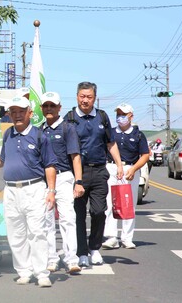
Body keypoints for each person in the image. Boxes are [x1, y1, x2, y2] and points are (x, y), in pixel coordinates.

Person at [0, 96, 57, 288]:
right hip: (11, 190)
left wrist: (51, 191)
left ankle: (41, 273)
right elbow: (3, 158)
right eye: (13, 111)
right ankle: (24, 271)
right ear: (9, 114)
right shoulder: (8, 134)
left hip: (34, 188)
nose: (17, 115)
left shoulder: (40, 136)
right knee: (15, 233)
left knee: (37, 232)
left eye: (21, 111)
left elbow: (50, 165)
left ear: (30, 112)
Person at [63, 81, 123, 268]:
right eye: (82, 96)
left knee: (99, 211)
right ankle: (81, 252)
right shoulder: (70, 118)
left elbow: (110, 143)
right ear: (77, 97)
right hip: (77, 173)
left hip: (98, 171)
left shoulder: (102, 117)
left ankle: (94, 248)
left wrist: (119, 164)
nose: (85, 100)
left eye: (89, 97)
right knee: (78, 214)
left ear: (94, 98)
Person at [41, 92, 85, 274]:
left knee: (68, 219)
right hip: (44, 181)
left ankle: (71, 259)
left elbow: (75, 156)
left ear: (60, 108)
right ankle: (51, 259)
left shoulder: (68, 128)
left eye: (53, 106)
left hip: (64, 177)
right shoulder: (39, 130)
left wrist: (79, 181)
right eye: (46, 106)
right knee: (47, 221)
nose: (49, 109)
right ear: (42, 108)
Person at [102, 103, 150, 250]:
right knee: (110, 203)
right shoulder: (110, 132)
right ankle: (111, 237)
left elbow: (145, 155)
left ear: (131, 116)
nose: (120, 117)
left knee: (128, 205)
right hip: (112, 168)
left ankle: (127, 238)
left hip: (130, 170)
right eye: (118, 114)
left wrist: (134, 169)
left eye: (123, 114)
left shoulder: (138, 135)